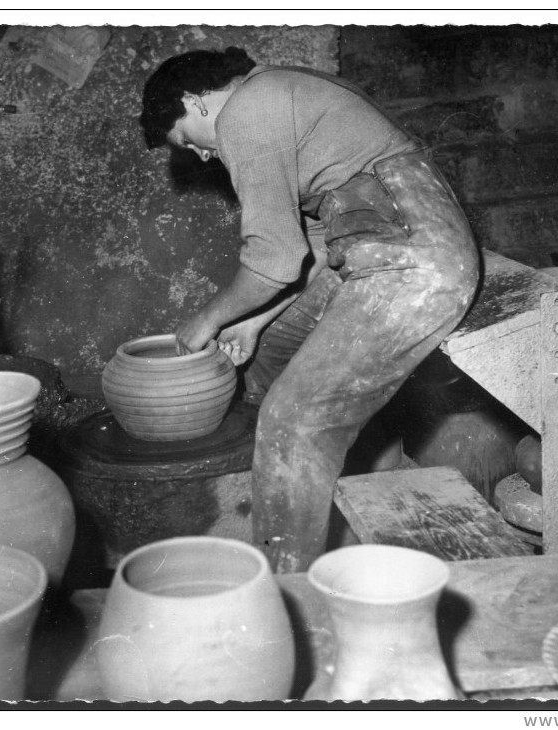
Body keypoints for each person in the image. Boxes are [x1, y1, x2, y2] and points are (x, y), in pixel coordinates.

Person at [140, 47, 480, 573]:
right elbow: (314, 254)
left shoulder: (247, 113)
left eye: (186, 139)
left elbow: (273, 257)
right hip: (376, 251)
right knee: (271, 348)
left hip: (417, 262)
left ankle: (283, 585)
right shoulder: (279, 96)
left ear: (194, 101)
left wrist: (208, 318)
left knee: (293, 419)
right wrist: (252, 323)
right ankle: (338, 489)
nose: (201, 156)